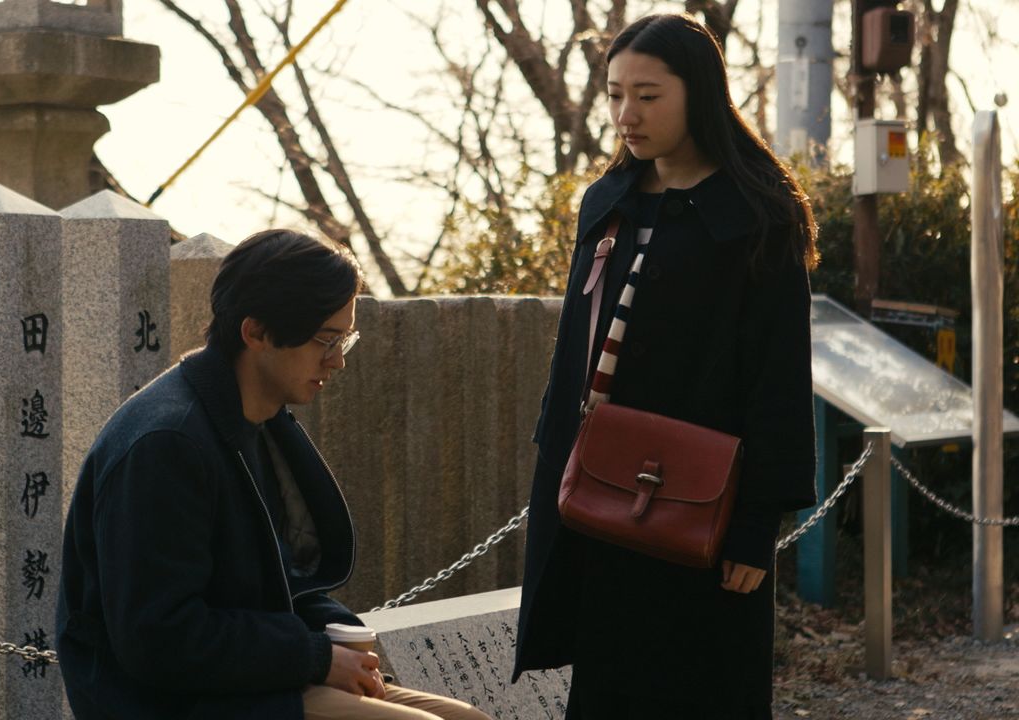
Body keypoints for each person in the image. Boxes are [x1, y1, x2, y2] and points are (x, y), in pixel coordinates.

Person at [512, 14, 819, 720]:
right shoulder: (606, 200)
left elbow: (778, 379)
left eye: (648, 96)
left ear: (698, 93)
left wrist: (756, 525)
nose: (627, 114)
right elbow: (572, 354)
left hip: (703, 506)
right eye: (615, 94)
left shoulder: (757, 214)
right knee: (607, 687)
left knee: (702, 690)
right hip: (600, 492)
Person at [56, 229, 492, 720]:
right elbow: (158, 638)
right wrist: (315, 656)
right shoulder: (167, 443)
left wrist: (340, 639)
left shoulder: (255, 421)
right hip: (173, 703)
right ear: (256, 332)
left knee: (468, 719)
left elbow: (281, 585)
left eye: (345, 338)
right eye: (325, 340)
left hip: (253, 682)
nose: (338, 360)